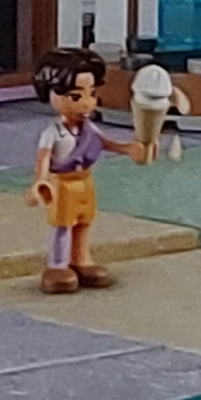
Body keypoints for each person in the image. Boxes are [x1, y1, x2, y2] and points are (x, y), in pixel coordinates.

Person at [26, 45, 148, 294]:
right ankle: (58, 265)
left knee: (83, 223)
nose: (87, 103)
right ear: (52, 94)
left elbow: (105, 143)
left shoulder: (89, 129)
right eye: (76, 96)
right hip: (62, 184)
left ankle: (82, 260)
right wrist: (39, 181)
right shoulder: (53, 133)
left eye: (91, 94)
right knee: (62, 226)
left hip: (85, 182)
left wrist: (129, 149)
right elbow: (44, 158)